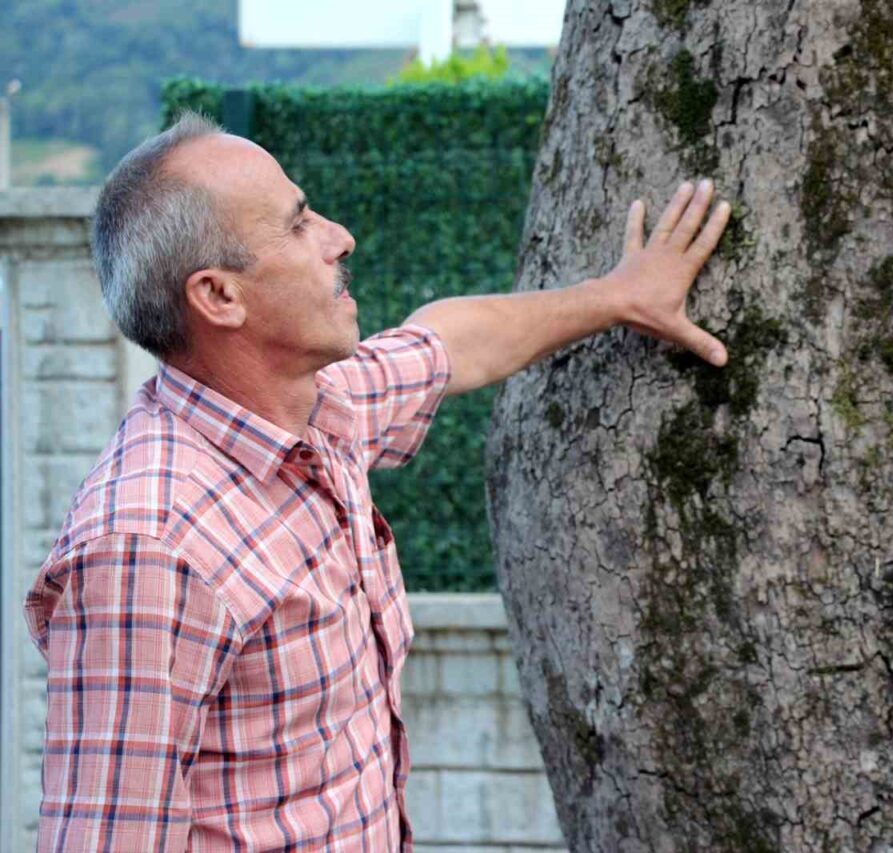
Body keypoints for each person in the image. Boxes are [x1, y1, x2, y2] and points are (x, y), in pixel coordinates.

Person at [23, 112, 731, 851]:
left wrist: (619, 297)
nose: (340, 237)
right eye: (299, 226)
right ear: (220, 296)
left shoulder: (321, 409)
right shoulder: (150, 545)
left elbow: (449, 343)